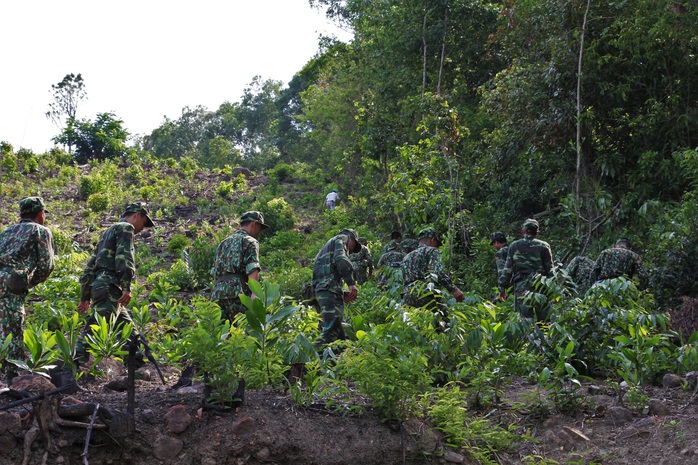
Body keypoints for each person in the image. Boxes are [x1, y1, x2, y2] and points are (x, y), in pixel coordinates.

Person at [75, 203, 155, 364]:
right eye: (144, 223)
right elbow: (124, 259)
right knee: (95, 328)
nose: (142, 229)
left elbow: (90, 266)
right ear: (137, 215)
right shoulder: (126, 228)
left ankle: (136, 370)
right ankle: (69, 369)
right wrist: (126, 287)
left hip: (103, 287)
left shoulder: (108, 232)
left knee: (129, 333)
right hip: (110, 287)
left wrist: (85, 296)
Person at [0, 197, 55, 383]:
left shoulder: (7, 231)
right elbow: (46, 265)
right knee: (12, 332)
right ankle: (12, 382)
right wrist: (29, 283)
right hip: (12, 286)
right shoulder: (41, 231)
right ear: (40, 214)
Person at [211, 211, 269, 320]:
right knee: (241, 331)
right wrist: (254, 295)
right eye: (260, 228)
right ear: (254, 224)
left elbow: (215, 272)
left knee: (221, 333)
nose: (259, 232)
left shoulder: (223, 243)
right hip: (238, 293)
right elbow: (253, 269)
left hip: (217, 294)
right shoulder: (250, 241)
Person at [402, 227, 464, 324]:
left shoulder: (407, 256)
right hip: (426, 293)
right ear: (432, 240)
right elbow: (437, 273)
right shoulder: (431, 251)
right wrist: (454, 290)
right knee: (444, 322)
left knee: (416, 325)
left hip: (408, 295)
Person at [312, 228, 361, 350]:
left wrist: (340, 292)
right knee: (330, 331)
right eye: (353, 246)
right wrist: (351, 283)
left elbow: (325, 275)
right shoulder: (342, 238)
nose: (352, 250)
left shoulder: (326, 247)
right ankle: (307, 360)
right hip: (328, 291)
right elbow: (340, 259)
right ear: (351, 238)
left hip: (322, 291)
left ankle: (340, 364)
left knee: (338, 334)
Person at [498, 219, 553, 319]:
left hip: (522, 286)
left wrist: (502, 288)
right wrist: (553, 291)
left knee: (525, 322)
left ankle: (528, 334)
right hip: (541, 286)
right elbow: (550, 270)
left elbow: (508, 269)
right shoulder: (544, 246)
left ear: (523, 231)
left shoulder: (514, 246)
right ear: (537, 232)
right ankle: (544, 335)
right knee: (544, 320)